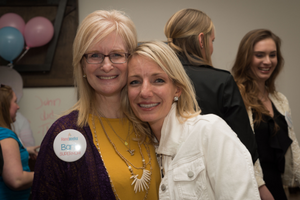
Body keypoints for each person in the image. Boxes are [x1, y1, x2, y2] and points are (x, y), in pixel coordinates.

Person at [31, 10, 160, 200]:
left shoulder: (151, 122)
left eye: (116, 54)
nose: (106, 65)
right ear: (82, 64)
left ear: (130, 59)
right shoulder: (64, 134)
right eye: (95, 55)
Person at [122, 40, 260, 199]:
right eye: (135, 82)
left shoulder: (210, 132)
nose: (144, 92)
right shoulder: (138, 146)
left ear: (177, 89)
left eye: (158, 80)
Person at [164, 8, 258, 164]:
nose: (211, 47)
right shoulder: (222, 82)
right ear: (201, 40)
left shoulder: (156, 78)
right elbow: (246, 147)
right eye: (211, 40)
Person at [232, 29, 300, 200]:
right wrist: (260, 187)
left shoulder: (280, 99)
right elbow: (237, 152)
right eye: (260, 55)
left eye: (272, 55)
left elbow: (293, 146)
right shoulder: (235, 97)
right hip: (250, 188)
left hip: (277, 185)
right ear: (246, 58)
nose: (267, 61)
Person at [0, 84, 39, 199]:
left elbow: (3, 156)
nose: (18, 107)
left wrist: (25, 150)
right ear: (4, 106)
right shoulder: (6, 136)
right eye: (15, 102)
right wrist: (46, 172)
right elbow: (16, 180)